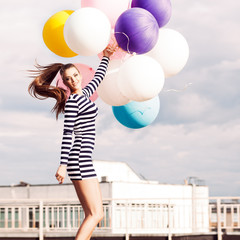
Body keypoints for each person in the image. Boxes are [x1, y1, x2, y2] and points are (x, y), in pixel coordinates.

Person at [28, 45, 116, 240]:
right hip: (78, 160)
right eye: (68, 79)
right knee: (95, 214)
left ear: (79, 75)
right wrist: (62, 165)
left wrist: (107, 57)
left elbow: (98, 78)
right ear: (65, 82)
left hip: (84, 159)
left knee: (95, 214)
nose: (73, 80)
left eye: (75, 75)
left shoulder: (84, 94)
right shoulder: (73, 102)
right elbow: (68, 133)